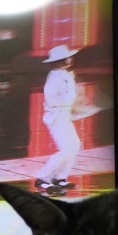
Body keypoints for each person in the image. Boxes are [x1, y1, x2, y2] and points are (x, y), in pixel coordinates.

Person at [34, 45, 81, 191]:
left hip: (64, 114)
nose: (70, 58)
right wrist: (69, 103)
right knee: (66, 148)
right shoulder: (54, 76)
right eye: (67, 57)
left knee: (75, 145)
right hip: (57, 116)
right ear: (61, 60)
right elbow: (51, 99)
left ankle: (60, 177)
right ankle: (43, 177)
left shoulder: (64, 74)